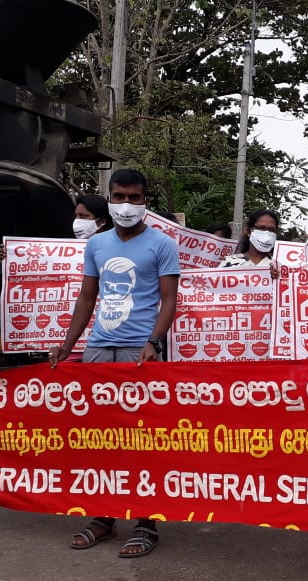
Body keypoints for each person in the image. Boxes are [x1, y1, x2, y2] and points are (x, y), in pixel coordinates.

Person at [49, 168, 180, 558]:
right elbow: (87, 298)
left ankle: (146, 523)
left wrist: (154, 341)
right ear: (108, 199)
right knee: (98, 440)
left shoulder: (162, 244)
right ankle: (103, 516)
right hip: (97, 351)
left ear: (145, 201)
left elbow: (168, 300)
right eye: (119, 196)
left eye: (134, 198)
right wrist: (67, 344)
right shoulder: (98, 245)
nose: (126, 205)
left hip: (139, 352)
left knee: (141, 442)